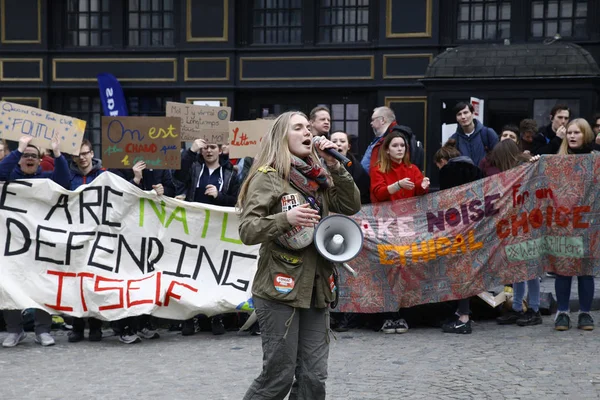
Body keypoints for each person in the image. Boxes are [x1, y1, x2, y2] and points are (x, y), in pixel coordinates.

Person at [238, 111, 361, 400]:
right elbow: (247, 230)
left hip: (317, 289)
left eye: (308, 127)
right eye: (298, 128)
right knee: (277, 378)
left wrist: (335, 166)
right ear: (282, 137)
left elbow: (351, 204)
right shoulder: (268, 177)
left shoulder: (320, 176)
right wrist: (286, 218)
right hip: (280, 290)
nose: (307, 132)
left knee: (314, 378)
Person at [0, 135, 70, 347]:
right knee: (9, 284)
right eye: (25, 155)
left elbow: (65, 182)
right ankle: (15, 330)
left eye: (34, 155)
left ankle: (43, 330)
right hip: (12, 244)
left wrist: (57, 154)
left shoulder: (47, 179)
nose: (29, 158)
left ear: (40, 161)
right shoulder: (9, 177)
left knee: (42, 284)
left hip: (40, 244)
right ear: (20, 159)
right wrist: (19, 148)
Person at [174, 139, 240, 336]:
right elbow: (178, 176)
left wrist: (219, 196)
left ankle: (215, 317)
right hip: (193, 230)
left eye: (213, 147)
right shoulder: (194, 168)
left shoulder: (230, 174)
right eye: (205, 148)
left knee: (213, 273)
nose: (209, 151)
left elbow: (237, 202)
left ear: (220, 150)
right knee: (190, 273)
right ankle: (189, 318)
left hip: (217, 232)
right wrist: (190, 151)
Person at [369, 131, 429, 334]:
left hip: (407, 227)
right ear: (387, 149)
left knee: (405, 269)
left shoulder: (412, 169)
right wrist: (397, 185)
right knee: (388, 269)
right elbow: (378, 193)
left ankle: (403, 315)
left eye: (402, 146)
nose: (400, 149)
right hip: (386, 226)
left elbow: (418, 192)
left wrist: (424, 186)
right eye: (395, 146)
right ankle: (387, 316)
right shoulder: (379, 169)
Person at [433, 140, 484, 334]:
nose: (438, 168)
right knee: (467, 270)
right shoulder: (475, 169)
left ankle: (463, 318)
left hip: (456, 229)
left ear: (443, 160)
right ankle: (462, 313)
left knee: (459, 272)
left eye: (438, 164)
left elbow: (445, 201)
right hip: (474, 227)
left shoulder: (449, 171)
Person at [553, 118, 597, 331]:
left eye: (577, 132)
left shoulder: (596, 159)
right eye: (569, 132)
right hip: (563, 222)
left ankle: (585, 313)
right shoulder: (558, 160)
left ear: (586, 135)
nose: (571, 136)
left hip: (589, 222)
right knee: (563, 268)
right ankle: (562, 312)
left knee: (585, 269)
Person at [68, 139, 107, 343]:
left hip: (98, 235)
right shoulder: (68, 176)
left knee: (94, 282)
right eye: (78, 155)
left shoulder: (104, 175)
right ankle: (76, 326)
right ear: (73, 157)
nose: (82, 158)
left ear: (92, 153)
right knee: (76, 282)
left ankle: (95, 326)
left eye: (85, 153)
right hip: (74, 235)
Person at [361, 106, 424, 174]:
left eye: (373, 120)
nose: (371, 123)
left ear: (382, 120)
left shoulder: (395, 137)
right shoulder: (383, 137)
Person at [450, 102, 498, 167]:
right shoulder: (454, 139)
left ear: (472, 114)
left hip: (486, 176)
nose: (463, 117)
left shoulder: (488, 133)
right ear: (456, 118)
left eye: (465, 112)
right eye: (459, 114)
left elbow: (498, 158)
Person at [330, 130, 370, 205]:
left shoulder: (357, 169)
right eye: (334, 141)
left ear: (348, 146)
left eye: (342, 141)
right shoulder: (321, 163)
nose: (338, 144)